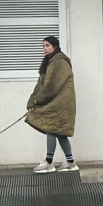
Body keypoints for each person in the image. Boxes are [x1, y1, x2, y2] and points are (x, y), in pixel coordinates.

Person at [26, 36, 78, 173]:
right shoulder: (49, 62)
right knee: (59, 132)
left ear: (55, 46)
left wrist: (38, 101)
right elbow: (41, 84)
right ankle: (70, 162)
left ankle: (49, 163)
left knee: (51, 129)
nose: (44, 48)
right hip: (56, 102)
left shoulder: (59, 62)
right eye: (43, 46)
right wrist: (32, 101)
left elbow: (52, 86)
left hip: (60, 103)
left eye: (47, 45)